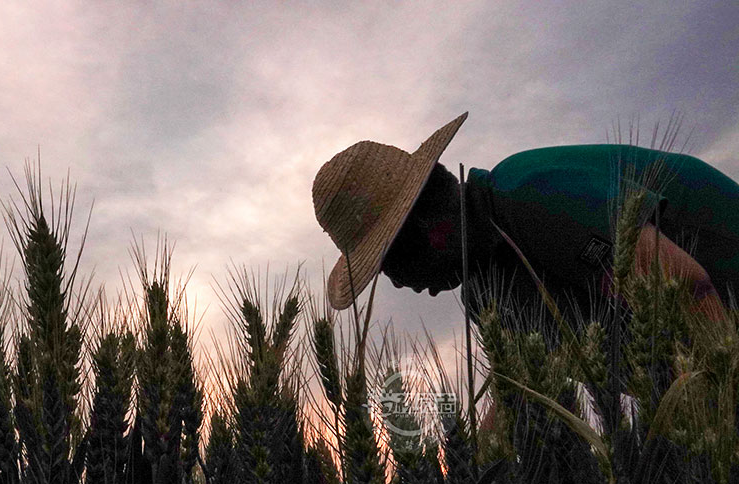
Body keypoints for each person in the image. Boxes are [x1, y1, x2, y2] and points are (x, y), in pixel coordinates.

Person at [312, 113, 739, 331]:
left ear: (432, 232)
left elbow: (690, 292)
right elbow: (519, 396)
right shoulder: (484, 291)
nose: (402, 286)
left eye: (388, 266)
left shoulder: (528, 193)